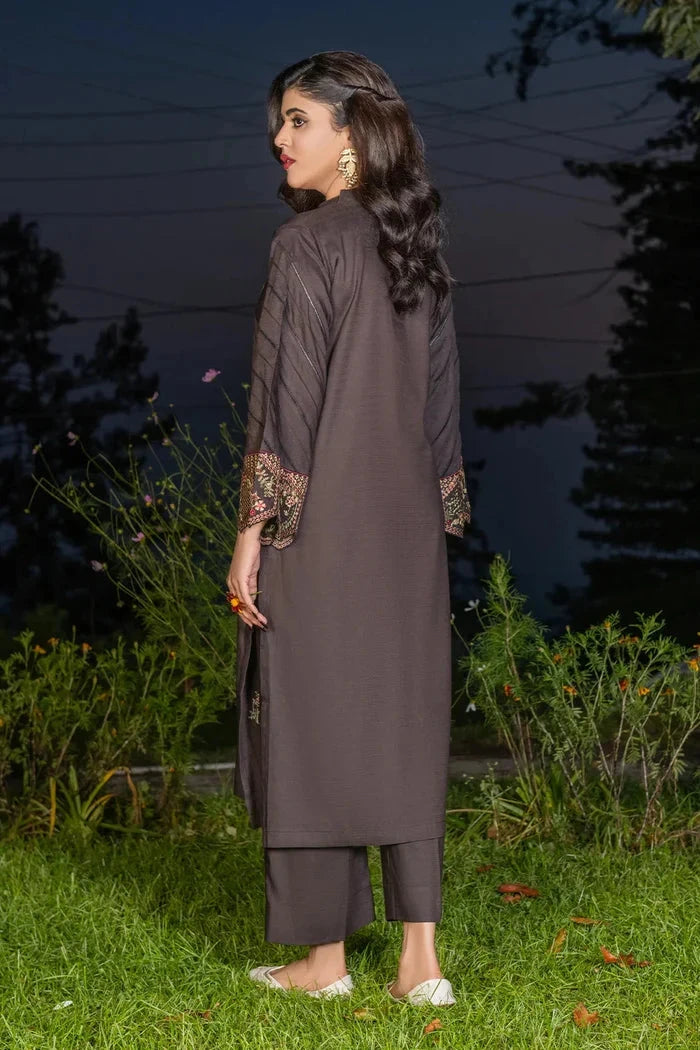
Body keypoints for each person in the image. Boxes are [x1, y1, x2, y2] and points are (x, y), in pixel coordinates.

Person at [226, 50, 471, 1007]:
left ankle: (323, 963)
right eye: (280, 121)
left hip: (320, 528)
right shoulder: (419, 248)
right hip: (407, 531)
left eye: (298, 120)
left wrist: (255, 530)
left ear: (352, 134)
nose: (279, 139)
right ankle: (421, 964)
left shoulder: (306, 245)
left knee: (311, 725)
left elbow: (284, 406)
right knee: (404, 725)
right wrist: (440, 512)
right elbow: (440, 409)